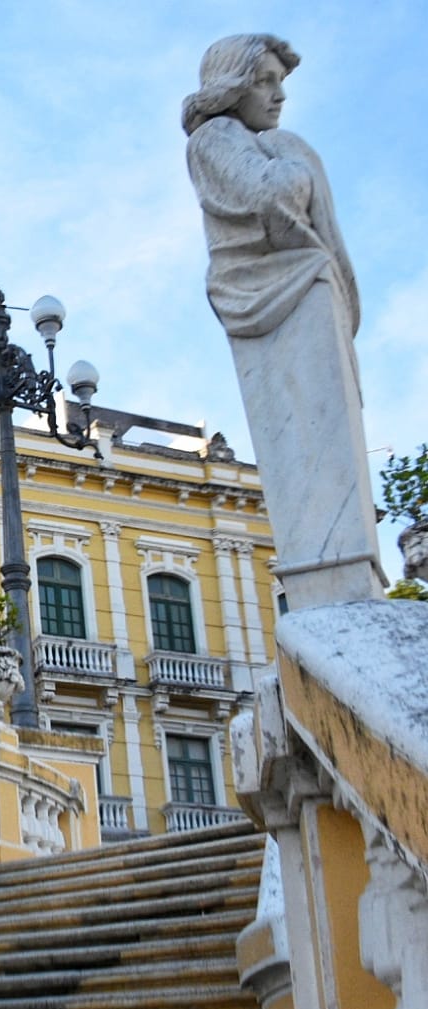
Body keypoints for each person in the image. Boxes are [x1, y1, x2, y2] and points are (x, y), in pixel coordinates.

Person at [183, 34, 385, 609]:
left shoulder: (250, 139)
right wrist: (296, 156)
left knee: (325, 438)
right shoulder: (215, 139)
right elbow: (269, 195)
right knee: (307, 438)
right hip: (270, 290)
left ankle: (344, 570)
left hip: (300, 283)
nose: (278, 97)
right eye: (265, 81)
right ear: (233, 84)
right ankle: (332, 573)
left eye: (280, 84)